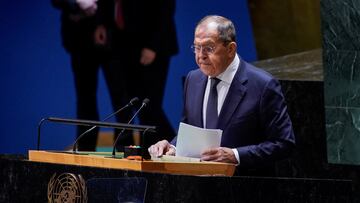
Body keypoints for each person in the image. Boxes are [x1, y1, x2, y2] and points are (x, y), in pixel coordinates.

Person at [148, 15, 295, 176]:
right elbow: (190, 130)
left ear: (230, 49)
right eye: (197, 47)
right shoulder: (193, 79)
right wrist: (172, 147)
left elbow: (283, 143)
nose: (201, 55)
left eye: (209, 48)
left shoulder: (263, 85)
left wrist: (235, 155)